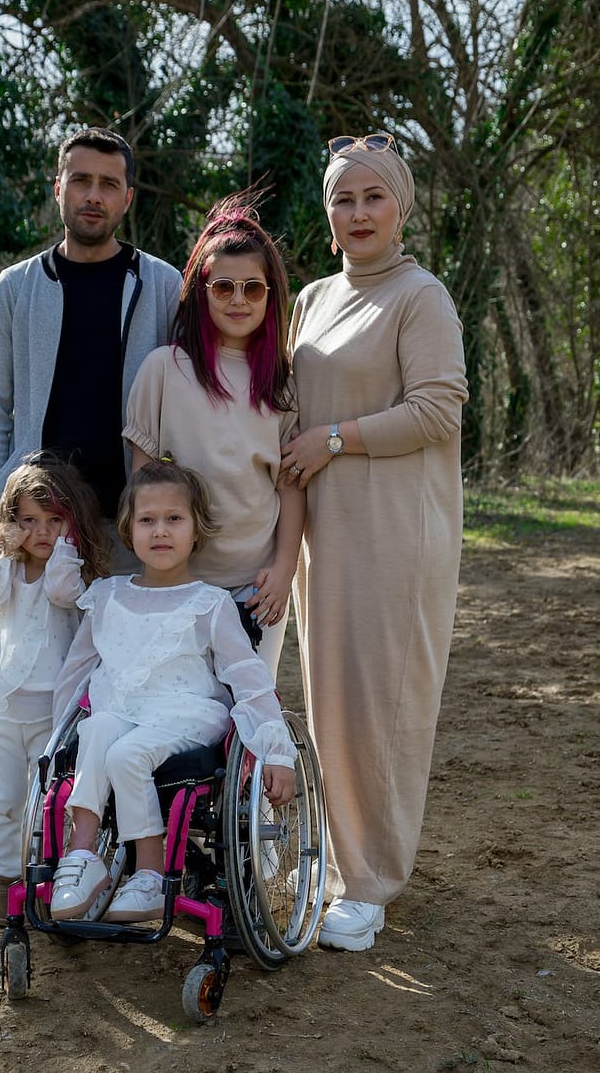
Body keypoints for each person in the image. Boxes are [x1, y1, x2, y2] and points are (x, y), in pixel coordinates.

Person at [0, 126, 182, 900]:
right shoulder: (16, 289)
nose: (92, 195)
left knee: (117, 683)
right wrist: (2, 510)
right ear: (57, 188)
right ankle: (14, 847)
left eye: (107, 183)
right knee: (30, 687)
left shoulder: (159, 285)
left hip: (126, 524)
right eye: (78, 179)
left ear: (126, 196)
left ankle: (104, 846)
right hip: (39, 528)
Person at [280, 132, 468, 952]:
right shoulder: (312, 297)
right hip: (324, 532)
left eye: (371, 197)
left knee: (383, 705)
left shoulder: (419, 296)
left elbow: (437, 408)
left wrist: (331, 440)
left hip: (396, 530)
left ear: (400, 208)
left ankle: (372, 883)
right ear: (327, 219)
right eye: (342, 200)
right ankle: (335, 865)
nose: (357, 213)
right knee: (331, 704)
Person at [48, 458, 297, 923]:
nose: (160, 531)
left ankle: (149, 874)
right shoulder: (106, 595)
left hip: (185, 714)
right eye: (147, 520)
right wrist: (55, 744)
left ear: (195, 529)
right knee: (98, 728)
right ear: (129, 529)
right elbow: (75, 674)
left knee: (125, 755)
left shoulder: (210, 603)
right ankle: (81, 858)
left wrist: (276, 750)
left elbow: (248, 676)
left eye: (174, 519)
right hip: (121, 712)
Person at [123, 194, 304, 678]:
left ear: (271, 295)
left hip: (255, 585)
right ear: (201, 291)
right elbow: (142, 481)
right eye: (223, 287)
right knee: (183, 715)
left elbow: (290, 484)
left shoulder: (281, 384)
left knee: (244, 714)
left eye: (253, 288)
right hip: (178, 582)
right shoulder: (164, 370)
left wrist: (285, 569)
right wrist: (157, 572)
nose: (239, 300)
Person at [0, 454, 109, 925]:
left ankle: (42, 875)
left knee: (48, 799)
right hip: (4, 703)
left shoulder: (69, 570)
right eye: (29, 520)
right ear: (11, 522)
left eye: (54, 522)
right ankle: (3, 878)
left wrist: (67, 548)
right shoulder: (6, 569)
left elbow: (63, 594)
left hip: (53, 706)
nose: (41, 532)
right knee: (3, 798)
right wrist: (1, 551)